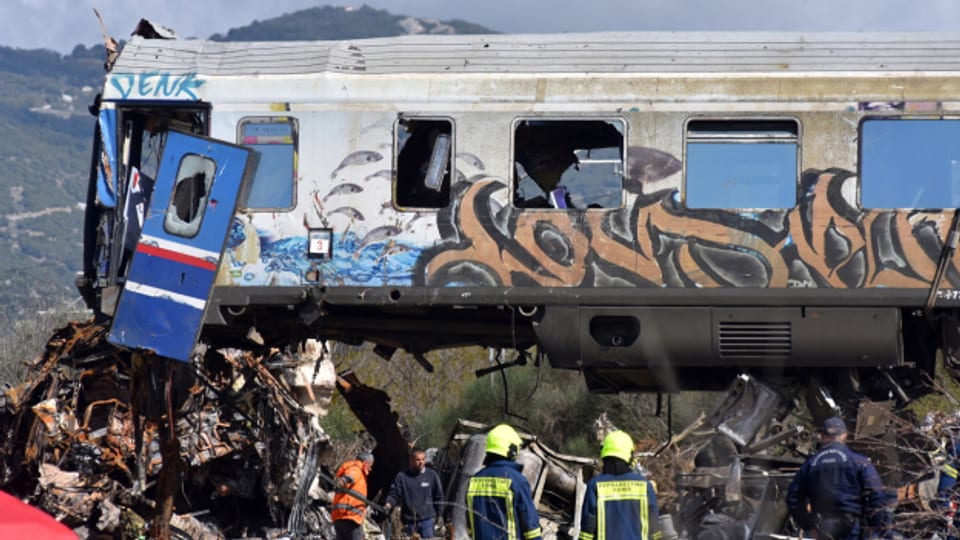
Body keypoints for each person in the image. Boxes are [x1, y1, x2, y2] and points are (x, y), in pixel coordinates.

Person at [786, 416, 894, 540]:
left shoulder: (810, 464)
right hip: (851, 529)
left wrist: (809, 527)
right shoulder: (859, 462)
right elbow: (877, 495)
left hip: (822, 529)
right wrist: (877, 529)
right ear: (844, 436)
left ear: (822, 436)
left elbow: (793, 498)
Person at [578, 430, 661, 540]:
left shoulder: (595, 485)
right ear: (630, 455)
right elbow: (655, 528)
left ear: (605, 454)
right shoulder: (645, 486)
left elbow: (588, 529)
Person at [466, 424, 542, 540]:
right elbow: (531, 531)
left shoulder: (473, 481)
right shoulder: (517, 481)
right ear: (511, 450)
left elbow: (470, 528)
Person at [383, 447, 445, 539]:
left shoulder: (432, 475)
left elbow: (439, 496)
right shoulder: (402, 476)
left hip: (427, 520)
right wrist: (388, 505)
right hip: (409, 521)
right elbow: (395, 493)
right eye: (418, 460)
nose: (421, 462)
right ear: (411, 461)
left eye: (423, 460)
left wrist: (440, 514)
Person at [332, 451, 375, 540]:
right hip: (350, 517)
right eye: (370, 466)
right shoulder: (356, 469)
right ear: (366, 463)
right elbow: (349, 477)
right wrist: (343, 481)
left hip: (340, 518)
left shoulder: (357, 471)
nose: (370, 469)